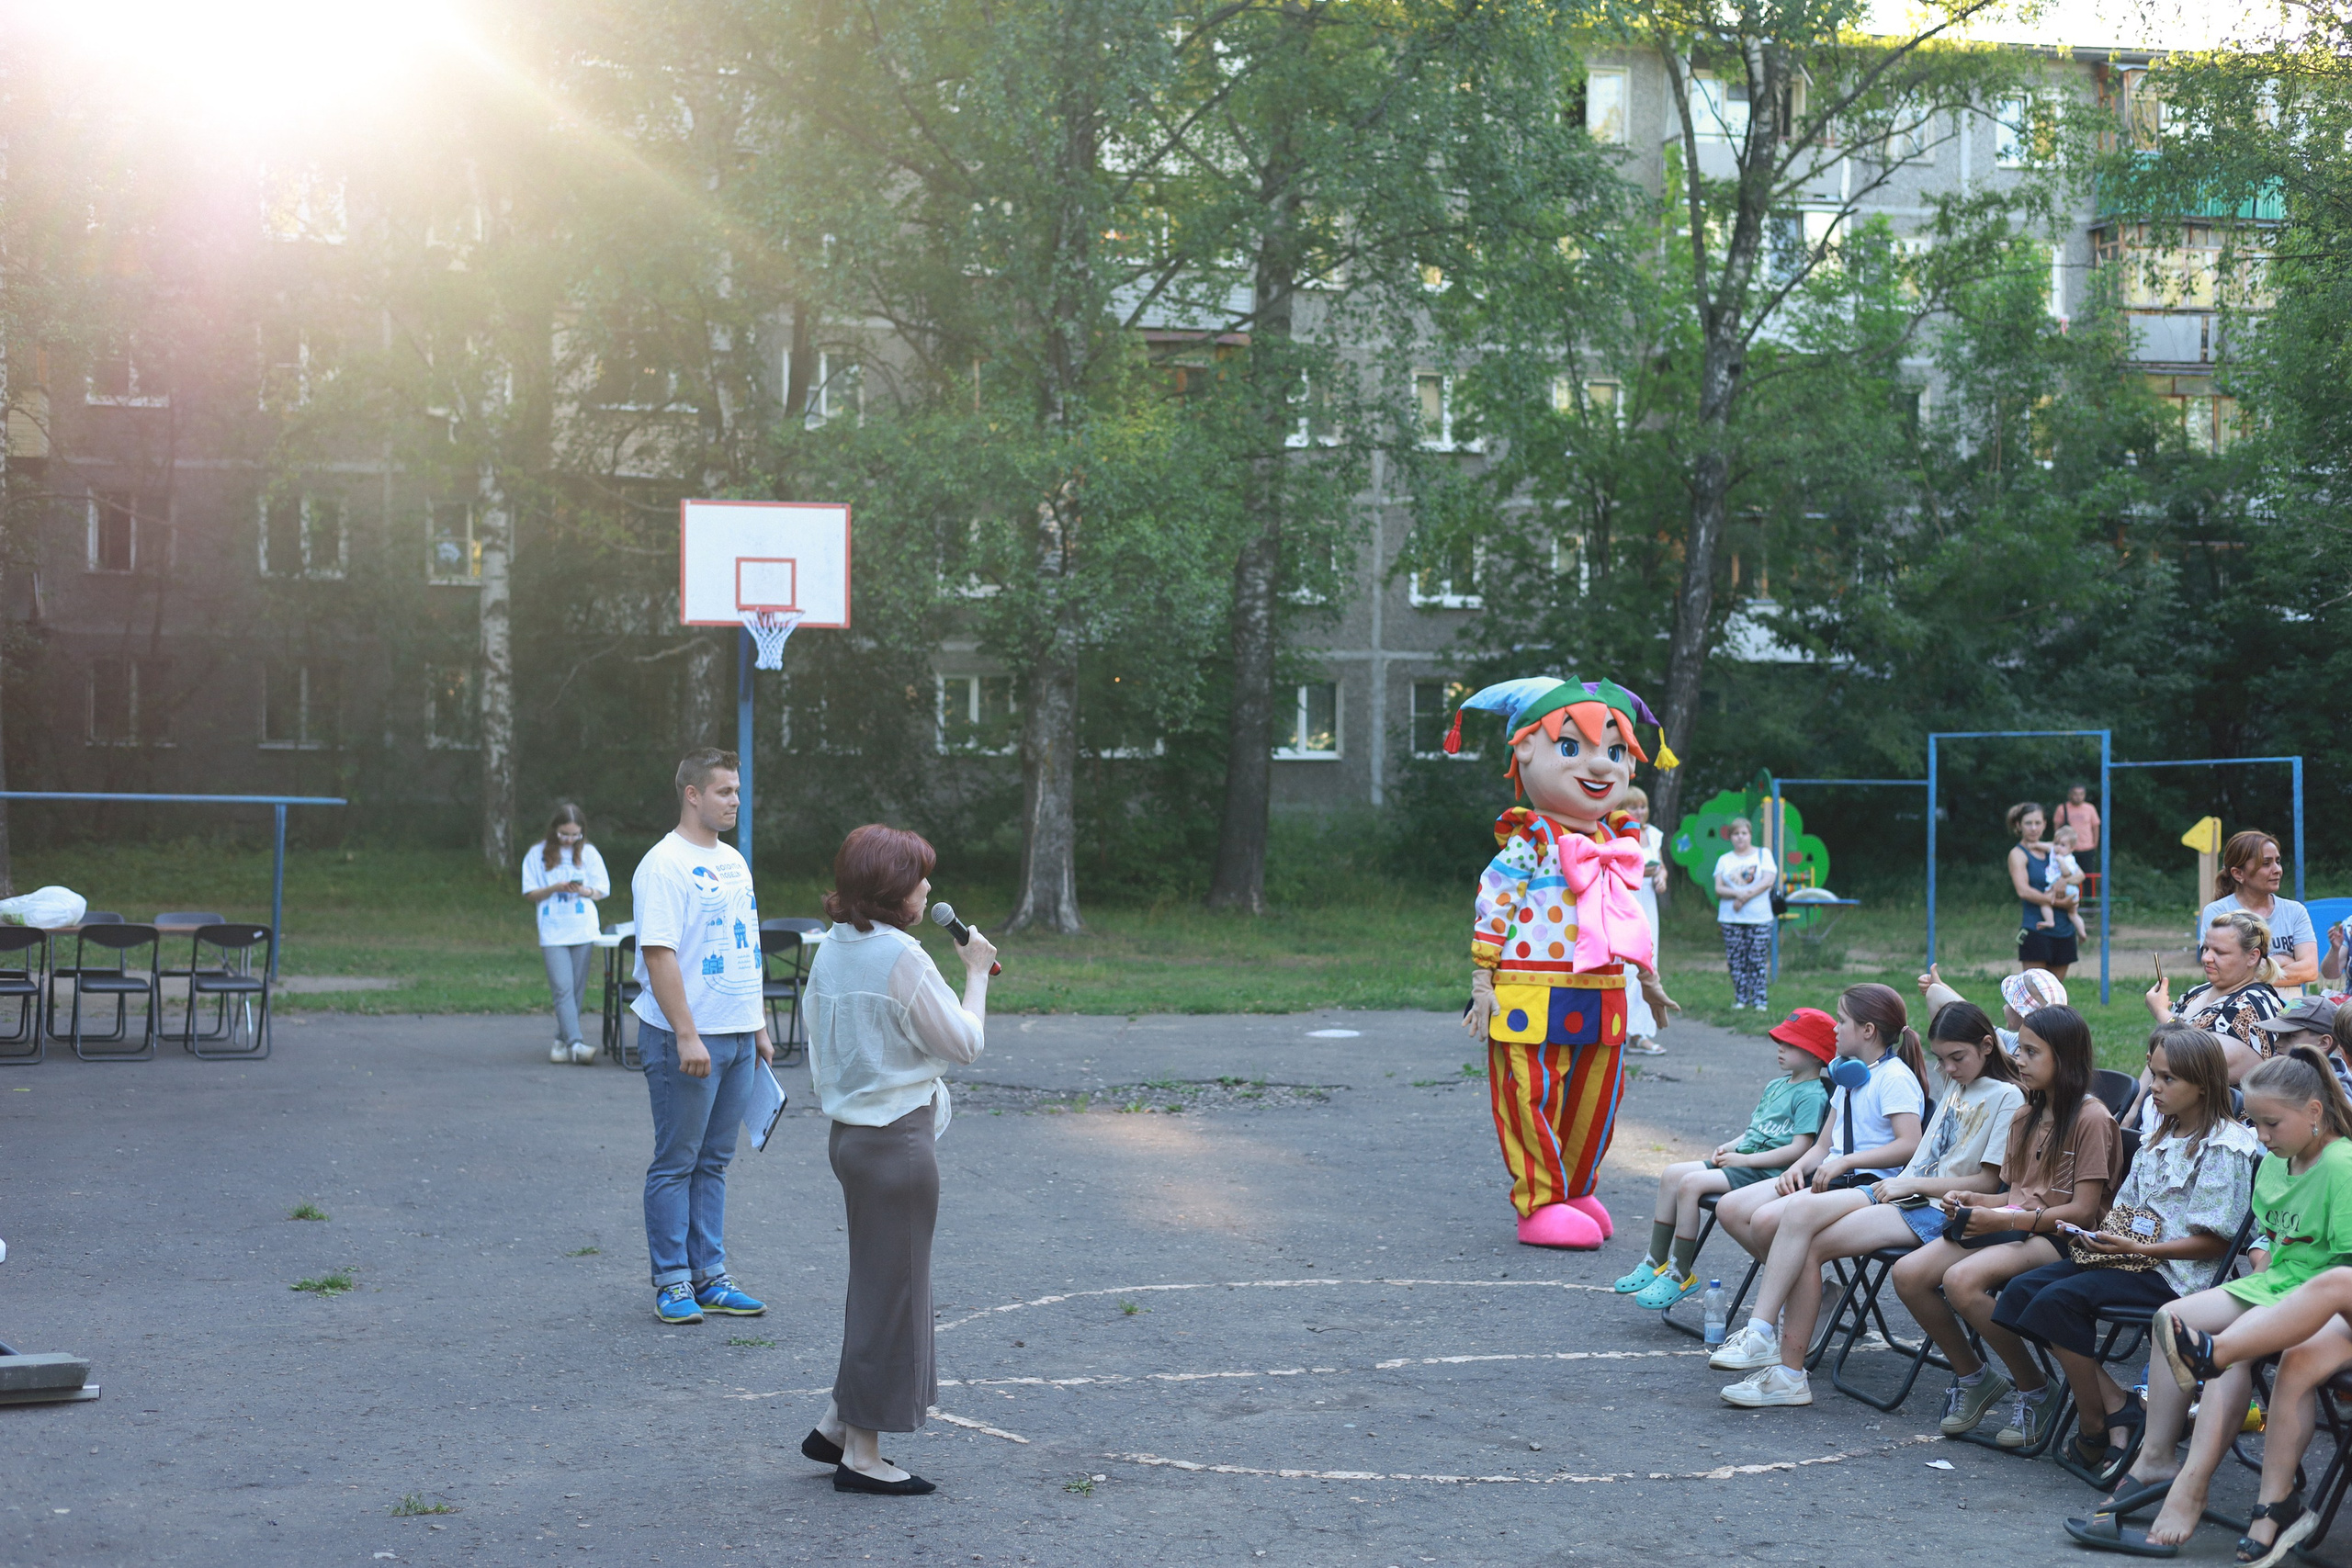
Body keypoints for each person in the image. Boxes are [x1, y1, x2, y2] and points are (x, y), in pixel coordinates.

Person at [2068, 1046, 2352, 1559]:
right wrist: (2265, 1259)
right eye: (2256, 1123)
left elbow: (2345, 1268)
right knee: (2172, 1316)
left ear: (2314, 1113)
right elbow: (2265, 1235)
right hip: (2277, 1285)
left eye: (2271, 1125)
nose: (2261, 1138)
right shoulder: (2278, 1161)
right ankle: (2155, 1456)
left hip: (2325, 1300)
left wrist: (2278, 1290)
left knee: (2235, 1350)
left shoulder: (2341, 1166)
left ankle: (2208, 1488)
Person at [1452, 676, 1681, 1250]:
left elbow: (1627, 918)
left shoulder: (1616, 841)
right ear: (1527, 750)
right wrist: (1482, 978)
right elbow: (1494, 902)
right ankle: (1540, 1200)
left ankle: (1575, 1188)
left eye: (1615, 750)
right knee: (1529, 1096)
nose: (1600, 766)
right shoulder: (1530, 839)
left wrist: (1648, 980)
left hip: (1601, 991)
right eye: (1573, 748)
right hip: (1528, 992)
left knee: (1595, 1097)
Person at [799, 824, 993, 1497]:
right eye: (920, 878)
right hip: (898, 1145)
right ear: (893, 890)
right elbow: (963, 1041)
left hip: (850, 1139)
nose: (929, 887)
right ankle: (864, 1454)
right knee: (895, 1294)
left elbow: (824, 1043)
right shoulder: (902, 957)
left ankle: (838, 1422)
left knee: (876, 1286)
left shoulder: (831, 949)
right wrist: (974, 976)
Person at [1714, 1000, 2022, 1408]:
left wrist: (1906, 1182)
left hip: (1938, 1208)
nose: (1947, 1068)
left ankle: (1767, 1341)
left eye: (1957, 1058)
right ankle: (1788, 1372)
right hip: (1910, 1195)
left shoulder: (2008, 1096)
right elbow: (1928, 1154)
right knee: (1807, 1239)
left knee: (1804, 1224)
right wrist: (1907, 1183)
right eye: (1941, 1060)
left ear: (1987, 1046)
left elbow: (1986, 1180)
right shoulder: (1958, 1084)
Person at [1988, 1025, 2256, 1474]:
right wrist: (2094, 1234)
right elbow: (2130, 1209)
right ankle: (2117, 1406)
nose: (2154, 1088)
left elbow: (2219, 1241)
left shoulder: (2224, 1146)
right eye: (2153, 1075)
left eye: (2168, 1079)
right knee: (2017, 1293)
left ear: (2205, 1085)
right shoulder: (2160, 1137)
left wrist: (2136, 1247)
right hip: (2132, 1258)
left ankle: (2095, 1424)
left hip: (2177, 1278)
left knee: (2057, 1302)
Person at [1898, 1006, 2124, 1449]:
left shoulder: (2091, 1119)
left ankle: (2036, 1388)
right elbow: (2016, 1193)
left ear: (2066, 1057)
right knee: (1907, 1275)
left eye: (2032, 1052)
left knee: (1962, 1281)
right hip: (2018, 1224)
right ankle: (1975, 1377)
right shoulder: (2026, 1115)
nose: (2019, 1059)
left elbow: (2081, 1212)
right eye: (2020, 1048)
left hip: (2065, 1239)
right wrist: (1975, 1200)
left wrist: (2005, 1217)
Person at [1706, 983, 1928, 1363]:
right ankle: (1811, 1298)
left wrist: (1847, 1162)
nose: (1835, 1030)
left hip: (1869, 1184)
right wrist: (1795, 1168)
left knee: (1765, 1221)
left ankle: (1784, 1320)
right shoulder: (1850, 1075)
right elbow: (1823, 1147)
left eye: (1841, 1021)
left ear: (1868, 1031)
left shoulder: (1894, 1078)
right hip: (1830, 1176)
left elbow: (1910, 1144)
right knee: (1729, 1208)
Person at [629, 748, 775, 1326]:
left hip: (738, 1035)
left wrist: (758, 1025)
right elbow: (659, 954)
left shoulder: (734, 861)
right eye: (723, 792)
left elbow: (746, 947)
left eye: (737, 791)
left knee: (714, 1162)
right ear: (692, 793)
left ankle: (711, 1277)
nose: (734, 801)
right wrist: (687, 1036)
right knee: (676, 1162)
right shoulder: (662, 864)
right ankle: (672, 1283)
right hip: (687, 1039)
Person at [1613, 1007, 1832, 1307]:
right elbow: (1754, 1131)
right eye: (1781, 1041)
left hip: (1766, 1172)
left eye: (1791, 1044)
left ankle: (1680, 1273)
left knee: (1690, 1185)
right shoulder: (1776, 1086)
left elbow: (1799, 1149)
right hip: (1744, 1160)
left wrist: (1743, 1161)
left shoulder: (1812, 1094)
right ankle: (1656, 1259)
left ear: (1817, 1054)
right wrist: (1731, 1146)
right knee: (1671, 1174)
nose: (1781, 1048)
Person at [2143, 908, 2286, 1083]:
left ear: (2252, 957)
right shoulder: (2196, 993)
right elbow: (2158, 1059)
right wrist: (2134, 1107)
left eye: (2219, 952)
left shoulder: (2256, 1004)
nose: (2206, 958)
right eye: (2206, 949)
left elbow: (2204, 1059)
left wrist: (2162, 1013)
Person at [523, 803, 611, 1066]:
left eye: (575, 835)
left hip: (582, 928)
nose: (570, 839)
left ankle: (561, 1041)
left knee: (575, 990)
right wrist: (554, 888)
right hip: (553, 931)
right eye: (564, 834)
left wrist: (583, 891)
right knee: (562, 988)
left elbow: (602, 890)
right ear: (554, 830)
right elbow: (530, 893)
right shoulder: (537, 854)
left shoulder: (590, 854)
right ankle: (576, 1044)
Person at [2199, 829, 2318, 987]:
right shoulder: (2217, 912)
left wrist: (2256, 969)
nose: (2277, 870)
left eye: (2278, 861)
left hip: (2288, 1010)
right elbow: (2220, 974)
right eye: (2266, 863)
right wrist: (2283, 961)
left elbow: (2310, 971)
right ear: (2238, 873)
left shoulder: (2295, 911)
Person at [1918, 962, 2065, 1057]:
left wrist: (2001, 1051)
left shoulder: (2018, 1053)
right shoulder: (2016, 1042)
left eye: (2009, 1002)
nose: (2004, 1006)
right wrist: (1939, 985)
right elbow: (1971, 1014)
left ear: (2021, 1013)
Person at [1623, 786, 1669, 1056]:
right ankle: (1622, 1031)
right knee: (1624, 968)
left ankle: (1640, 1032)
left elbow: (1660, 865)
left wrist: (1661, 876)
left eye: (1642, 806)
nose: (1639, 812)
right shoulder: (1615, 833)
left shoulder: (1653, 834)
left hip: (1648, 903)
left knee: (1648, 965)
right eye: (1632, 807)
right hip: (1626, 902)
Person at [2008, 800, 2075, 981]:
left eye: (2038, 823)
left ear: (2045, 824)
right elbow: (2023, 891)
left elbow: (2080, 874)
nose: (2033, 828)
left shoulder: (2054, 849)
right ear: (2019, 825)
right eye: (2028, 823)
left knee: (2056, 998)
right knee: (2034, 996)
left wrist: (2064, 879)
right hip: (2036, 930)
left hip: (2064, 929)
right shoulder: (2018, 854)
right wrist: (2061, 903)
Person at [1713, 817, 1775, 1011]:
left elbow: (1768, 881)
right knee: (1736, 959)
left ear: (1750, 835)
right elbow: (1719, 888)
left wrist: (1745, 897)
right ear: (1731, 837)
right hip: (1731, 919)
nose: (1740, 838)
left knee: (1757, 958)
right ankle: (1741, 998)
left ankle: (1760, 1000)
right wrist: (1736, 894)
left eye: (1744, 833)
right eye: (1736, 834)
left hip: (1759, 917)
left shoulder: (1763, 855)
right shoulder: (1725, 860)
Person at [2254, 996, 2352, 1098]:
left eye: (2290, 1035)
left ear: (2324, 1043)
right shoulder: (2274, 1070)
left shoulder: (2334, 1094)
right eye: (2279, 1035)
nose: (2277, 1043)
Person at [2048, 823, 2090, 944]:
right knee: (2073, 914)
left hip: (2070, 890)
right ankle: (2082, 933)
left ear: (2071, 848)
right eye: (2056, 844)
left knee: (2047, 898)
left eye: (2062, 845)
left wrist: (2061, 861)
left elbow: (2066, 873)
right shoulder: (2058, 854)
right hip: (2071, 889)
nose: (2057, 848)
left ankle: (2050, 921)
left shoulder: (2068, 859)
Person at [2053, 783, 2101, 857]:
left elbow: (2095, 827)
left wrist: (2095, 844)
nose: (2078, 797)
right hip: (2068, 848)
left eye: (2081, 794)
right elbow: (2057, 829)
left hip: (2087, 848)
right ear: (2069, 795)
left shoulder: (2090, 808)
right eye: (2075, 794)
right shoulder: (2062, 808)